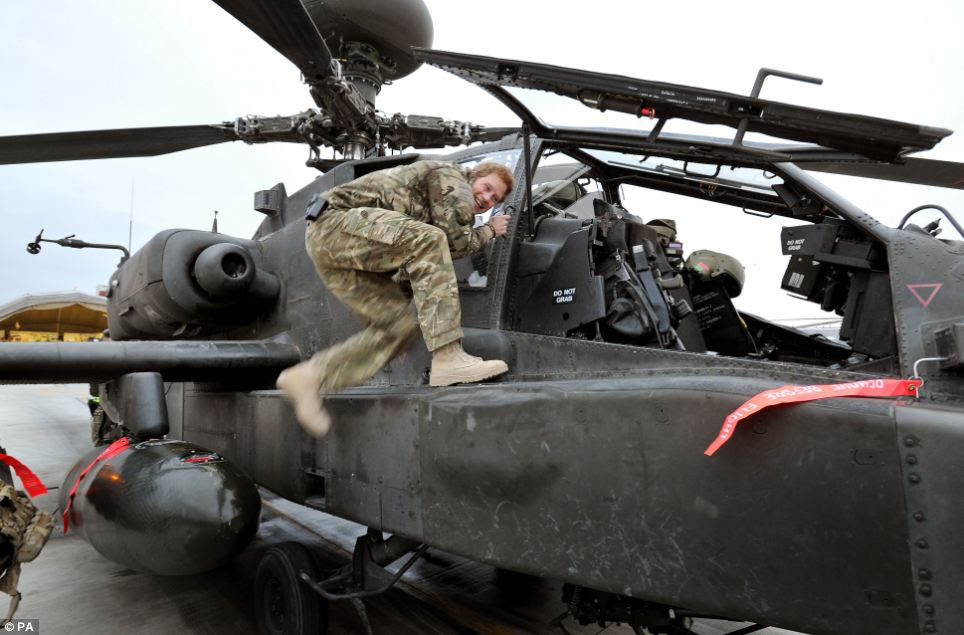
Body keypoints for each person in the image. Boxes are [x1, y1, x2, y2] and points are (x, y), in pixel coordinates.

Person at [277, 160, 515, 437]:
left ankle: (308, 378)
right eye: (486, 187)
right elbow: (453, 242)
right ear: (474, 176)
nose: (486, 198)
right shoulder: (451, 178)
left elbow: (409, 272)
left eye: (494, 198)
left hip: (337, 244)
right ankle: (448, 354)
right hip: (336, 224)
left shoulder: (429, 213)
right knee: (431, 240)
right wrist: (489, 230)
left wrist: (395, 328)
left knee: (398, 329)